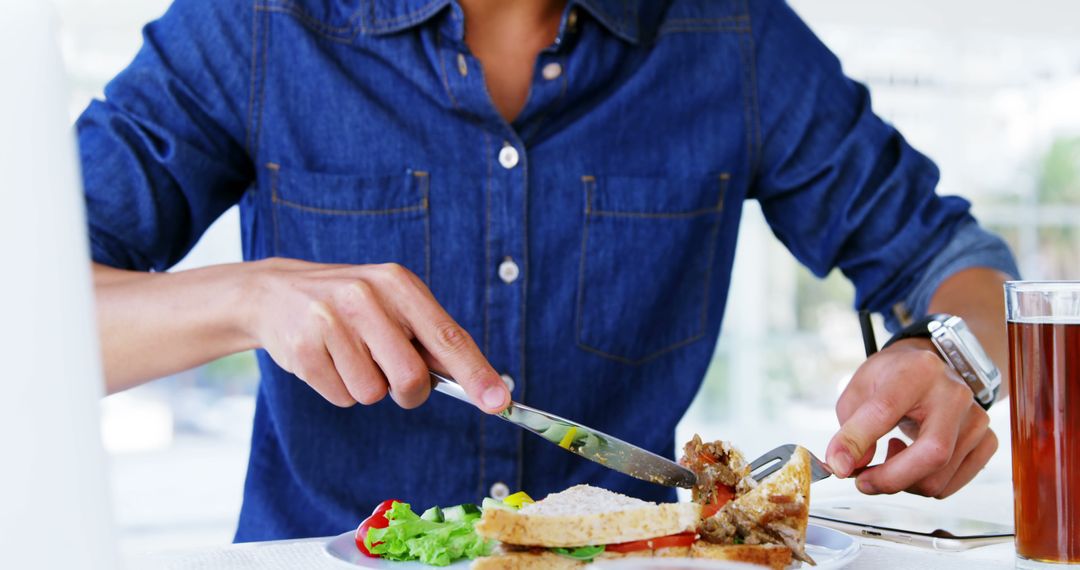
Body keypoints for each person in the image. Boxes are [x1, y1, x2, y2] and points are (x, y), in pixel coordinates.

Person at [79, 0, 1019, 542]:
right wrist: (248, 295)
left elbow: (954, 263)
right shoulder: (254, 24)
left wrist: (958, 364)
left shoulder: (731, 33)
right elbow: (31, 315)